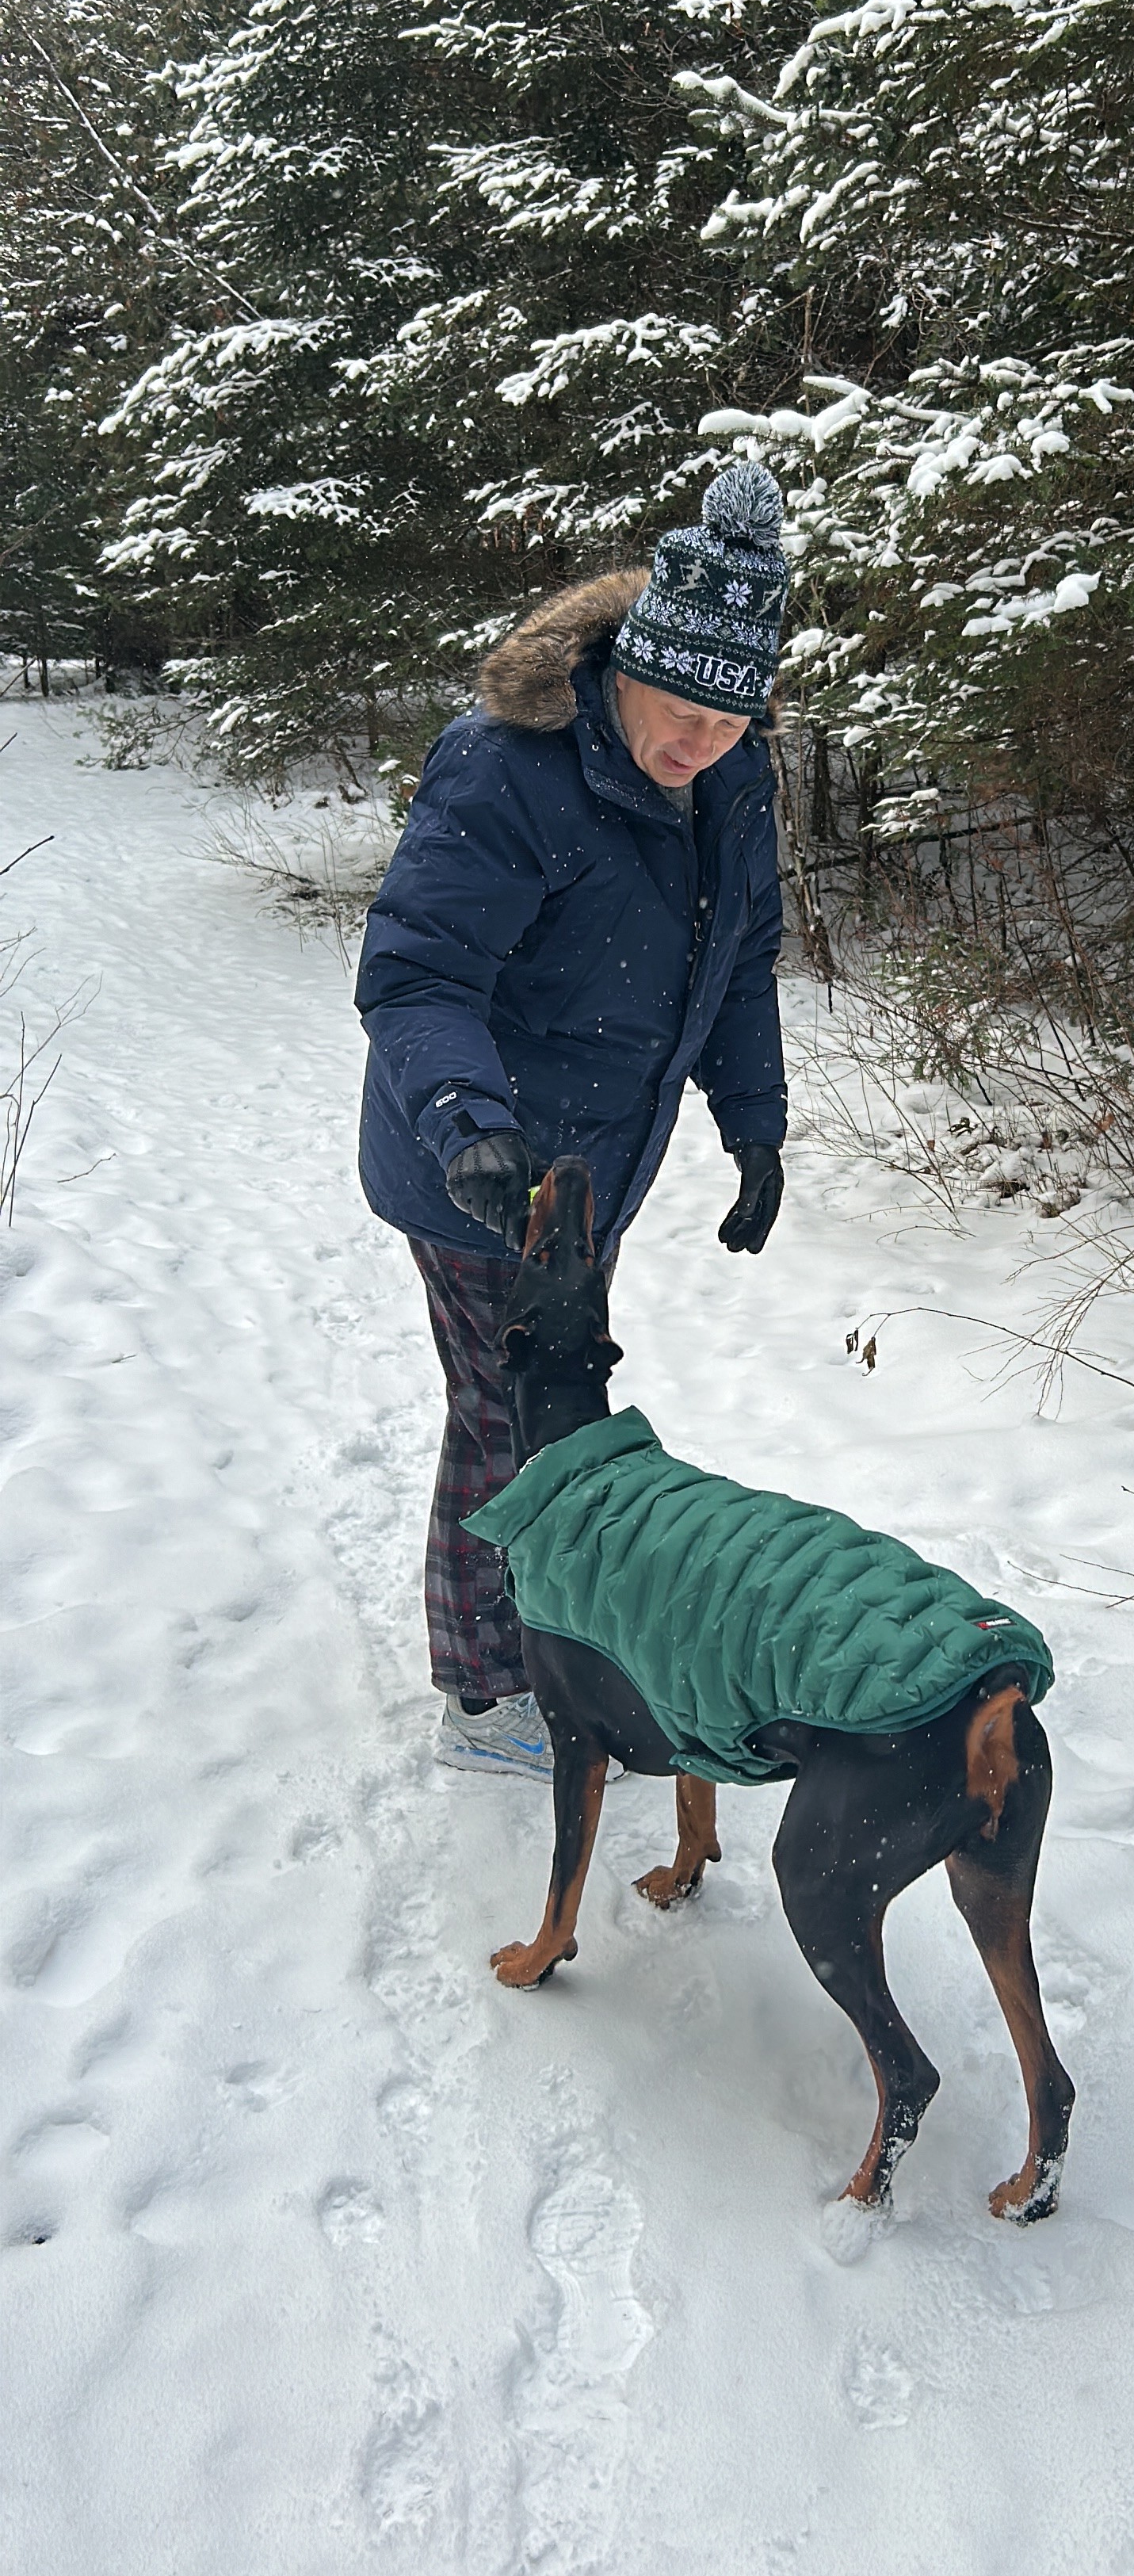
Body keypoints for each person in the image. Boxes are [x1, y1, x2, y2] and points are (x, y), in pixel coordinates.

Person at [353, 460, 791, 1778]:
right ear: (624, 665)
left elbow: (742, 956)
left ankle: (544, 1649)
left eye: (730, 721)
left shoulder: (732, 780)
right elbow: (419, 969)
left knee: (555, 1406)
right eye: (680, 709)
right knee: (509, 1417)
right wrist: (466, 1122)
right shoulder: (508, 767)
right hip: (474, 1166)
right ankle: (490, 1696)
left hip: (594, 1167)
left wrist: (753, 1121)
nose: (697, 744)